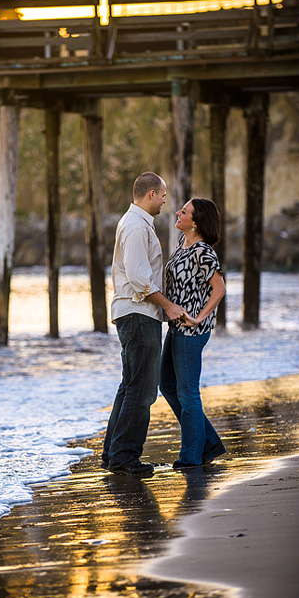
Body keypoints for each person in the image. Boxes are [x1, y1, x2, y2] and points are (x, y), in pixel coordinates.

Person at [101, 172, 186, 477]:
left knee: (131, 385)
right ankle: (124, 457)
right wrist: (169, 306)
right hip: (139, 313)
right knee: (143, 388)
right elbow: (139, 278)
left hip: (135, 313)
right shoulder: (136, 226)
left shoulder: (135, 223)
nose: (165, 201)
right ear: (150, 194)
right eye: (163, 195)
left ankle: (113, 454)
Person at [160, 197, 227, 469]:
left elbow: (219, 288)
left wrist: (199, 317)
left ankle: (191, 457)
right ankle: (208, 444)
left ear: (195, 222)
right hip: (176, 327)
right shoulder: (182, 244)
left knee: (188, 393)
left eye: (184, 211)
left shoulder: (203, 251)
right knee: (167, 385)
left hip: (191, 331)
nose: (178, 212)